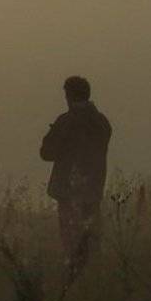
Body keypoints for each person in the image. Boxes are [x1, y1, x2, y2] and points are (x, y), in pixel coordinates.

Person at [40, 75, 112, 272]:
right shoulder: (102, 122)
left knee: (71, 240)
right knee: (92, 237)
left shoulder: (66, 122)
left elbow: (46, 153)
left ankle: (75, 274)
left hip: (68, 190)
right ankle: (95, 274)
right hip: (93, 188)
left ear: (69, 95)